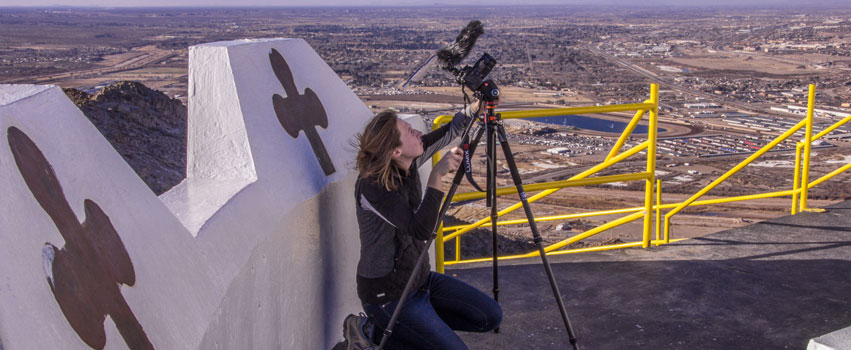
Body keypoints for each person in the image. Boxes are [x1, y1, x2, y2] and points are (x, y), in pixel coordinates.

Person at [345, 108, 502, 350]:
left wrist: (474, 108)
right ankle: (371, 331)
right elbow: (420, 230)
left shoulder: (408, 158)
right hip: (388, 297)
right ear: (395, 151)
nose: (418, 132)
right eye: (410, 131)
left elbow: (451, 131)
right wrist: (437, 176)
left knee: (489, 316)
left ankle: (419, 333)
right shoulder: (373, 187)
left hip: (419, 280)